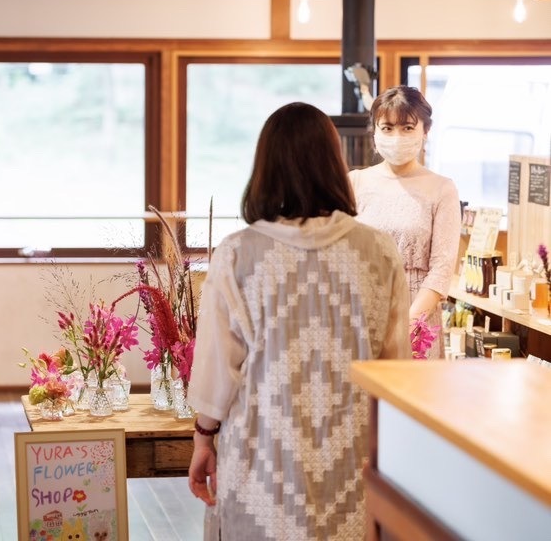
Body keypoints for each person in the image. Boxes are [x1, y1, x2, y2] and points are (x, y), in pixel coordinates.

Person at [187, 102, 411, 540]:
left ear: (264, 167)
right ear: (334, 164)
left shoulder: (237, 254)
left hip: (262, 463)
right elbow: (395, 368)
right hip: (352, 461)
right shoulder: (379, 252)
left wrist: (203, 438)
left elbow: (218, 367)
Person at [349, 85, 461, 360]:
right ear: (375, 132)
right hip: (362, 314)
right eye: (387, 128)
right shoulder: (355, 182)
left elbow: (442, 268)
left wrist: (409, 323)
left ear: (425, 131)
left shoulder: (442, 188)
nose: (396, 136)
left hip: (417, 317)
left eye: (407, 128)